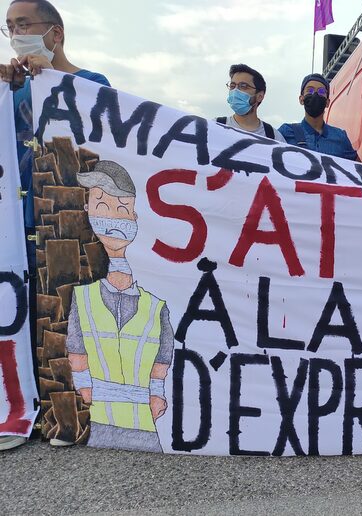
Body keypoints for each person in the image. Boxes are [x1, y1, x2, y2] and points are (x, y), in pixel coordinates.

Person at [0, 0, 110, 452]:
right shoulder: (12, 89)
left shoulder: (91, 83)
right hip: (17, 222)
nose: (14, 33)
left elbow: (99, 141)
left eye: (23, 24)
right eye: (8, 27)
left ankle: (64, 415)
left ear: (55, 33)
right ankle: (18, 409)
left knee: (62, 318)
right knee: (20, 317)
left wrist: (54, 82)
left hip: (66, 223)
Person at [66, 160, 174, 453]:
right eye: (101, 204)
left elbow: (163, 356)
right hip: (99, 425)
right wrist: (84, 385)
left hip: (145, 427)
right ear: (87, 209)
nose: (112, 217)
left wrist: (156, 392)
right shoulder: (83, 298)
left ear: (136, 216)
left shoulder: (155, 305)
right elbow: (76, 350)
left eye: (122, 209)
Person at [278, 73, 358, 160]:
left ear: (327, 102)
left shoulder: (340, 137)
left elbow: (360, 170)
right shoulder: (286, 132)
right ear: (301, 99)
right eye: (310, 90)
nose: (315, 94)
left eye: (321, 91)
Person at [217, 63, 285, 143]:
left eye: (243, 86)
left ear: (260, 96)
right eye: (232, 86)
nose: (235, 91)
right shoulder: (215, 126)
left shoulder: (274, 137)